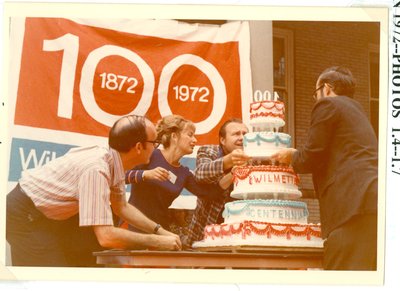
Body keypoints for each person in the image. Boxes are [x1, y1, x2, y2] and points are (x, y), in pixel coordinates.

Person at [6, 115, 182, 267]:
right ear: (138, 147)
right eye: (155, 142)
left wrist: (161, 231)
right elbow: (106, 236)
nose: (156, 147)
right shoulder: (97, 168)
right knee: (49, 279)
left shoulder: (115, 161)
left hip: (48, 214)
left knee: (79, 266)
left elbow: (122, 208)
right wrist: (157, 242)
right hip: (24, 214)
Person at [271, 66, 378, 270]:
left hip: (351, 207)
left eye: (315, 93)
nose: (316, 99)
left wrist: (291, 156)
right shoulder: (357, 110)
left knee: (342, 274)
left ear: (326, 89)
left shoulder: (328, 104)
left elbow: (312, 155)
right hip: (370, 204)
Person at [123, 114, 225, 235]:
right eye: (190, 135)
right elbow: (121, 176)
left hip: (160, 232)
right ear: (174, 136)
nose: (195, 140)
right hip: (133, 228)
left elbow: (210, 194)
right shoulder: (151, 155)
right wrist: (146, 174)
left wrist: (233, 172)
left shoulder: (184, 173)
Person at [183, 118, 251, 248]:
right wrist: (229, 161)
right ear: (222, 140)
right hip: (206, 233)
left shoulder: (253, 159)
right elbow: (201, 174)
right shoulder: (208, 151)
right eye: (236, 134)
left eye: (245, 134)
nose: (242, 138)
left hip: (241, 235)